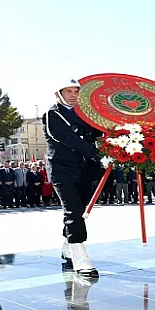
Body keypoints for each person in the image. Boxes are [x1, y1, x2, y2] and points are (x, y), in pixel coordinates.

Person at [43, 78, 103, 278]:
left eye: (76, 91)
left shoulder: (85, 114)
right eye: (68, 91)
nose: (72, 95)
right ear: (58, 94)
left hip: (84, 170)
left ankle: (68, 245)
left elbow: (98, 131)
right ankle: (80, 258)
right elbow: (71, 140)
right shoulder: (52, 115)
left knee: (80, 208)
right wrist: (98, 154)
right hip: (62, 170)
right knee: (74, 211)